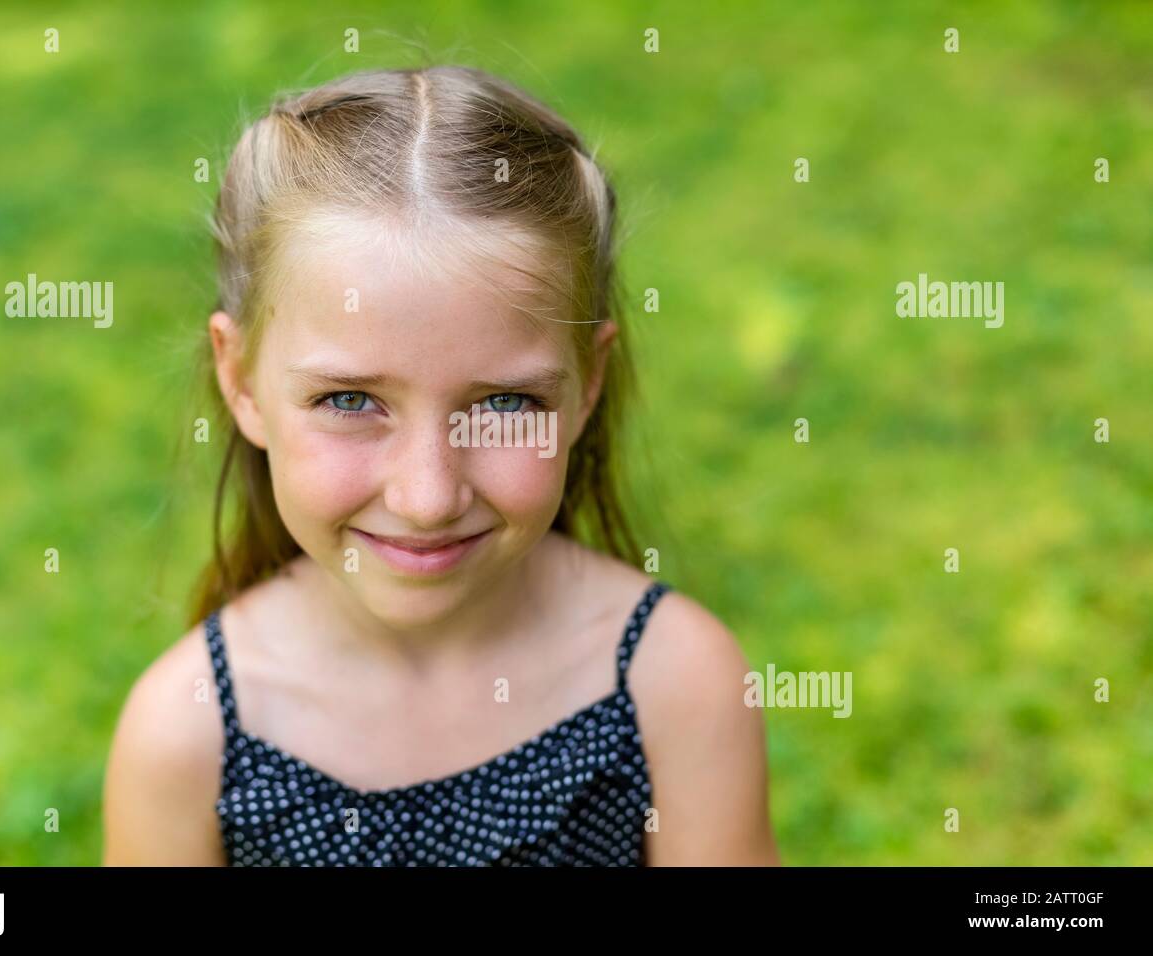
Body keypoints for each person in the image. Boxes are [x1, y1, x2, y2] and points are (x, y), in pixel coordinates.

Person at [103, 65, 778, 867]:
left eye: (503, 404)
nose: (427, 498)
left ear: (587, 382)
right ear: (242, 379)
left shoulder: (674, 683)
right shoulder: (190, 730)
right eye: (351, 401)